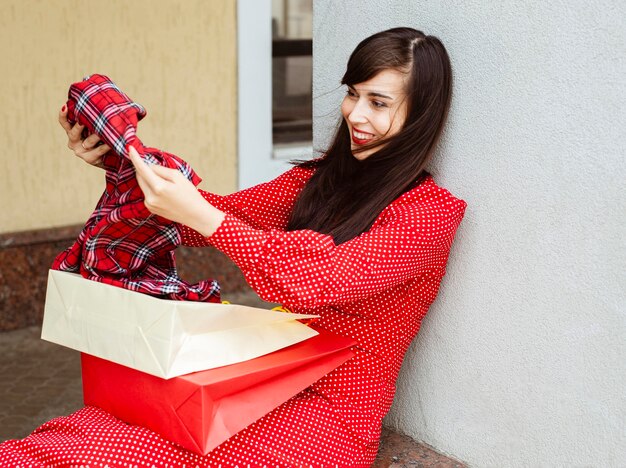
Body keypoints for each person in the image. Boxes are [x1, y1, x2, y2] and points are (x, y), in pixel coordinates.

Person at [0, 27, 466, 467]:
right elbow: (211, 215)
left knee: (118, 448)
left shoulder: (429, 213)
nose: (355, 115)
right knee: (88, 430)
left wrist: (202, 214)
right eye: (352, 94)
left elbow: (316, 280)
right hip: (252, 373)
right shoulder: (317, 181)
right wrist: (123, 161)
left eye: (378, 102)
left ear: (420, 114)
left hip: (327, 416)